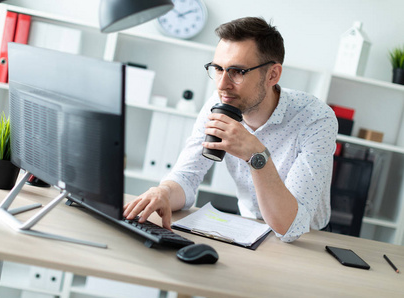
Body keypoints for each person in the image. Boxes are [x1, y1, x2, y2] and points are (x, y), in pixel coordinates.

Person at [123, 17, 338, 242]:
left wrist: (257, 155)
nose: (222, 85)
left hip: (308, 239)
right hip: (249, 228)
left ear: (272, 75)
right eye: (218, 69)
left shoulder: (316, 118)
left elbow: (291, 226)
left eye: (237, 72)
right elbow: (187, 176)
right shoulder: (218, 106)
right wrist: (164, 192)